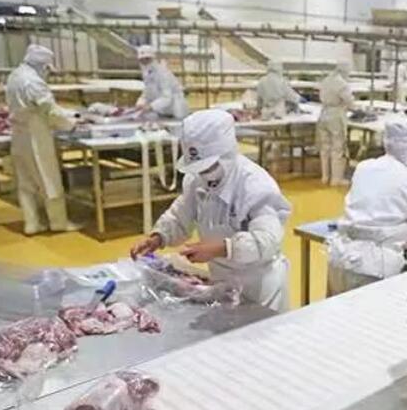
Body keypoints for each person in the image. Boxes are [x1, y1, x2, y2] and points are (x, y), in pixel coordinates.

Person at [129, 109, 292, 311]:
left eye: (209, 167)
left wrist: (223, 248)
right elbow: (180, 214)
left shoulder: (255, 185)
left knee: (260, 330)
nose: (204, 175)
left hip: (259, 287)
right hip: (222, 283)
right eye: (198, 169)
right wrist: (158, 237)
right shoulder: (197, 180)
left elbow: (267, 240)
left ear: (228, 154)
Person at [326, 117, 407, 296]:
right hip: (372, 268)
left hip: (340, 256)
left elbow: (377, 211)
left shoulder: (364, 167)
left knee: (336, 312)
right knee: (365, 314)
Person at [6, 44, 80, 235]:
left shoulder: (15, 76)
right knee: (49, 179)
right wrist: (71, 124)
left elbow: (46, 108)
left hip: (18, 134)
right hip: (36, 135)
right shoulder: (34, 82)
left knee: (25, 183)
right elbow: (49, 111)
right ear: (43, 66)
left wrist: (72, 113)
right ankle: (58, 223)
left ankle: (32, 223)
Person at [317, 62, 354, 185]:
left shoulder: (326, 80)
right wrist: (357, 109)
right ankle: (336, 179)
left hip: (323, 114)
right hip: (336, 116)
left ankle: (325, 177)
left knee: (324, 147)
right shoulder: (341, 84)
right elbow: (350, 101)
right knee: (337, 148)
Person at [135, 45, 188, 120]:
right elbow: (147, 91)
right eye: (142, 60)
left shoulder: (162, 73)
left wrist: (150, 106)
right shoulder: (147, 73)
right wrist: (140, 102)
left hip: (175, 110)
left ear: (153, 59)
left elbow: (167, 98)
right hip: (162, 111)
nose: (145, 62)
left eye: (147, 59)